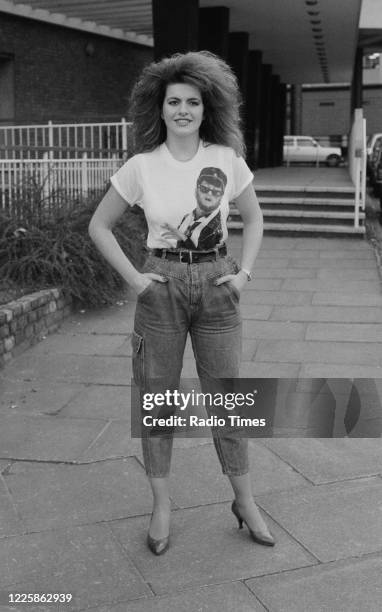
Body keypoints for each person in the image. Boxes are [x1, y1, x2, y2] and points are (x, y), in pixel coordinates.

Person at [88, 50, 273, 555]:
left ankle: (245, 500)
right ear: (160, 107)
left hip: (217, 282)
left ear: (206, 107)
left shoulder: (226, 160)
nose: (183, 110)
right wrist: (134, 279)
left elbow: (254, 219)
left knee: (229, 402)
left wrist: (244, 275)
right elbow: (98, 226)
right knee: (159, 404)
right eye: (174, 101)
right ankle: (162, 506)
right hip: (161, 287)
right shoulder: (142, 167)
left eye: (193, 101)